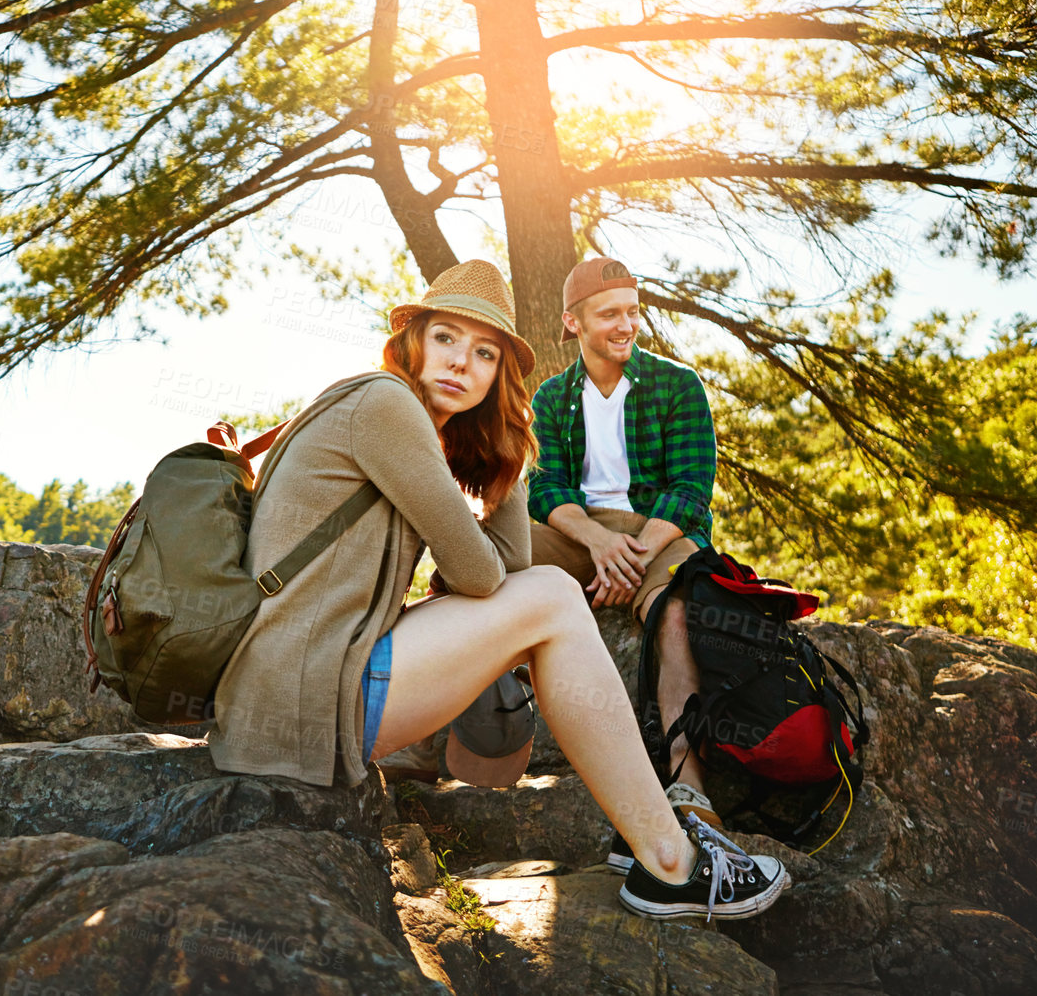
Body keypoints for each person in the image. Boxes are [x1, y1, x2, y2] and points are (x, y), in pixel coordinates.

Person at [210, 260, 786, 920]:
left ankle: (648, 831)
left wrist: (509, 440)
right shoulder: (384, 403)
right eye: (447, 338)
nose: (463, 363)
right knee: (553, 596)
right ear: (413, 340)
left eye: (486, 353)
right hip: (302, 697)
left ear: (499, 373)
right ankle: (671, 862)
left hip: (304, 693)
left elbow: (505, 562)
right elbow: (485, 579)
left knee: (544, 591)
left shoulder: (409, 418)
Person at [526, 256, 721, 829]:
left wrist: (631, 556)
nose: (625, 324)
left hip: (658, 531)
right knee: (489, 555)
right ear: (573, 323)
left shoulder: (677, 384)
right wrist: (596, 544)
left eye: (633, 311)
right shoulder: (551, 398)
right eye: (609, 313)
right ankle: (472, 731)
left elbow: (689, 492)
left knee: (678, 608)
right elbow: (546, 489)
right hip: (581, 533)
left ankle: (688, 782)